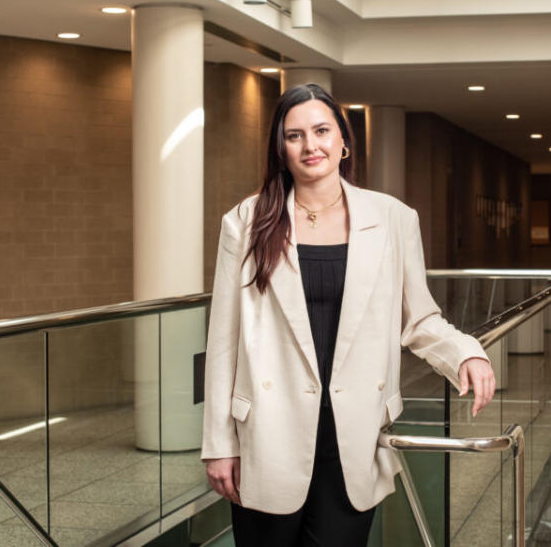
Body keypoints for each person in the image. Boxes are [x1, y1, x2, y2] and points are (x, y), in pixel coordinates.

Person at [201, 83, 496, 546]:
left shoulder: (393, 218)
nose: (310, 145)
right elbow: (223, 339)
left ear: (344, 142)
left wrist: (465, 354)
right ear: (280, 149)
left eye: (321, 131)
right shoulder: (246, 221)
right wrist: (218, 444)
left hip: (352, 433)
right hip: (267, 432)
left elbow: (419, 319)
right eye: (294, 135)